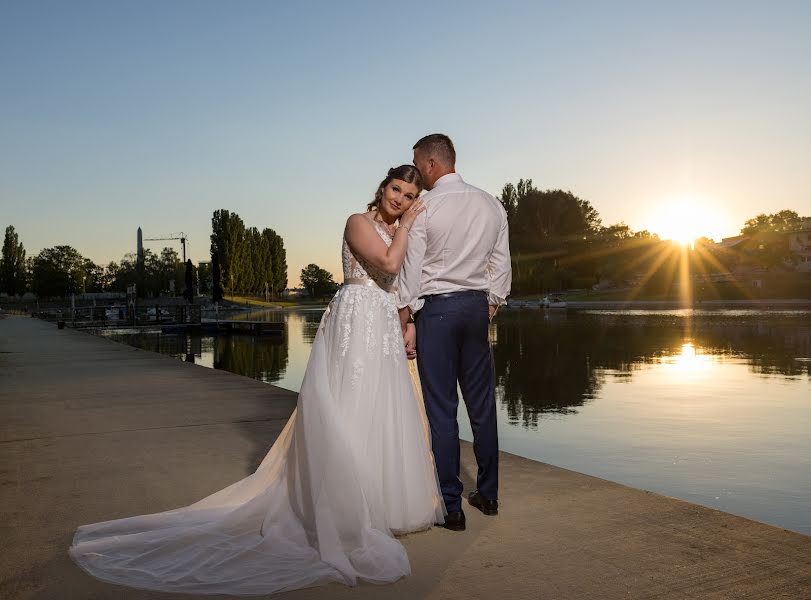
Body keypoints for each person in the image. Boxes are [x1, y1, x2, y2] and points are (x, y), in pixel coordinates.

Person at [69, 165, 445, 595]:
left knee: (381, 412)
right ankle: (342, 510)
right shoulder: (357, 222)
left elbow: (401, 283)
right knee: (349, 409)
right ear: (382, 188)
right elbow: (387, 262)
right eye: (396, 189)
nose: (400, 199)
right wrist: (410, 226)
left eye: (410, 195)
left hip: (382, 323)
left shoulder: (401, 231)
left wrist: (406, 318)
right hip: (356, 320)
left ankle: (381, 505)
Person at [399, 134, 512, 532]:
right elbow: (501, 269)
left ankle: (452, 506)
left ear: (430, 164)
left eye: (417, 163)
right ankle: (489, 494)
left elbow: (410, 272)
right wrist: (488, 307)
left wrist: (407, 317)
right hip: (475, 308)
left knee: (442, 409)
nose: (417, 172)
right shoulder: (491, 204)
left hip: (437, 311)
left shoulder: (424, 207)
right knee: (482, 406)